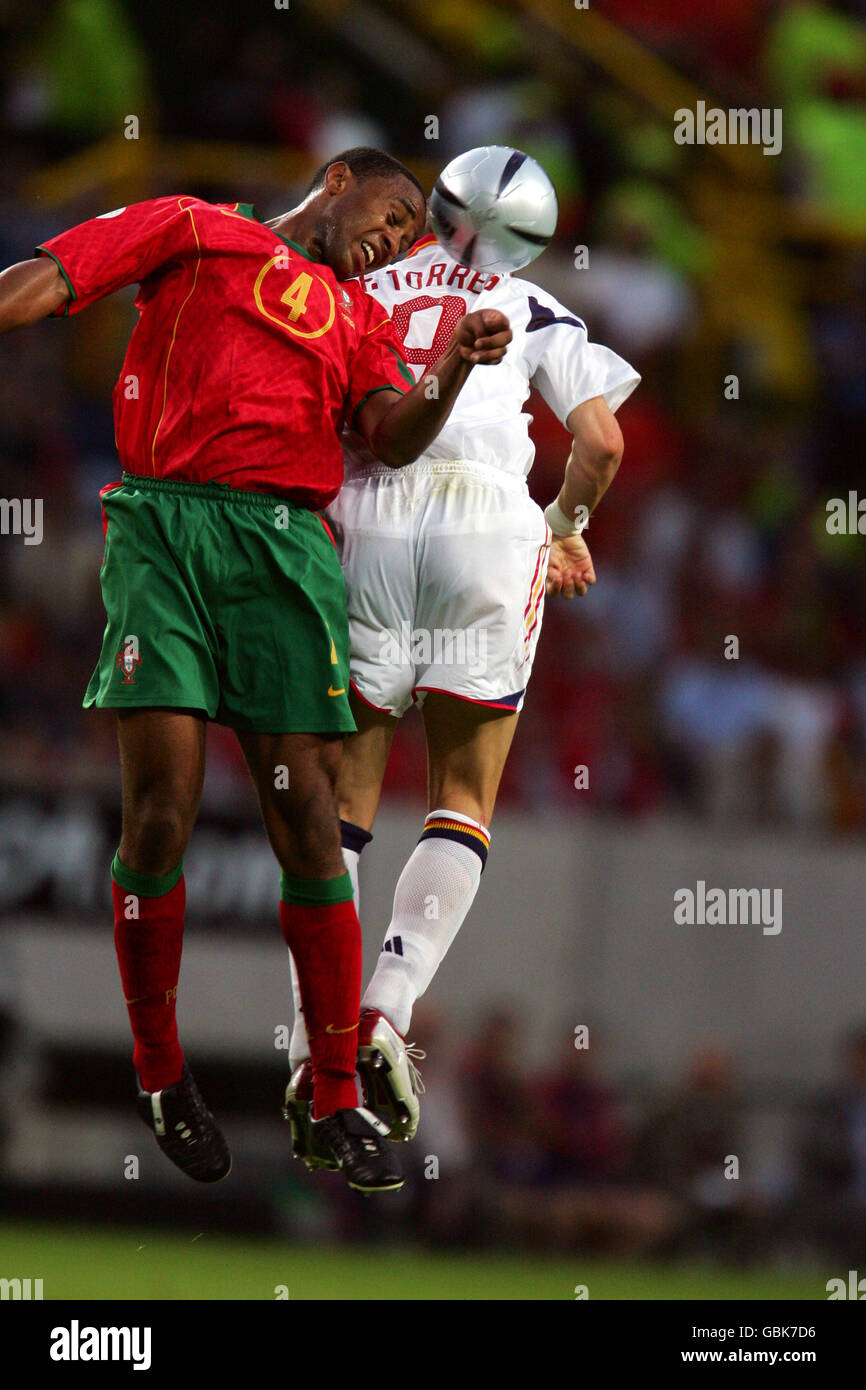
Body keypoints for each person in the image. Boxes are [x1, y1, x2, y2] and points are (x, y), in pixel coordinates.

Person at [0, 146, 512, 1193]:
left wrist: (453, 364)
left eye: (413, 233)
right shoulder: (192, 226)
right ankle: (160, 1071)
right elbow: (51, 279)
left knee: (309, 822)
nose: (397, 236)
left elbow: (392, 436)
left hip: (285, 551)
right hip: (164, 532)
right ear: (334, 179)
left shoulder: (362, 319)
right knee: (159, 814)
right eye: (393, 208)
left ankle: (331, 1095)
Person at [283, 149, 639, 1163]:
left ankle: (317, 1048)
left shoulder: (359, 282)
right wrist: (563, 522)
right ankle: (388, 1012)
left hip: (364, 513)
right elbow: (602, 442)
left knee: (336, 809)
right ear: (530, 233)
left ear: (431, 209)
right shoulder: (530, 307)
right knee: (461, 794)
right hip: (489, 521)